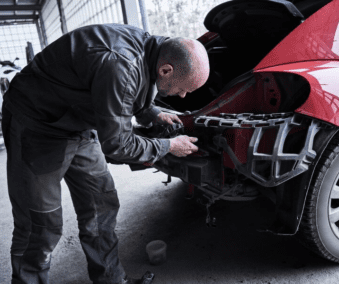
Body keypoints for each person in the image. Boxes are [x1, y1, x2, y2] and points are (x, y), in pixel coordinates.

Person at [1, 23, 209, 284]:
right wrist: (169, 146)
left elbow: (130, 92)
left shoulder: (153, 50)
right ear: (165, 69)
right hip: (37, 125)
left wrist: (155, 112)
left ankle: (111, 281)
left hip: (78, 120)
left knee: (101, 205)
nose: (183, 95)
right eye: (183, 88)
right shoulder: (120, 64)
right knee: (40, 225)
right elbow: (118, 144)